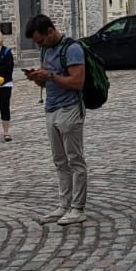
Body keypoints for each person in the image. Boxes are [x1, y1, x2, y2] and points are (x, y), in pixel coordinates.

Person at [24, 14, 87, 226]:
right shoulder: (46, 49)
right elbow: (46, 84)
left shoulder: (72, 49)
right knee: (59, 160)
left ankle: (78, 208)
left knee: (74, 159)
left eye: (41, 40)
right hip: (51, 108)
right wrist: (37, 78)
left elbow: (77, 82)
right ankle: (64, 204)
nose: (39, 45)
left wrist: (50, 76)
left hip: (69, 108)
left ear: (50, 31)